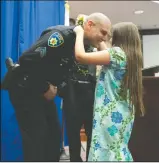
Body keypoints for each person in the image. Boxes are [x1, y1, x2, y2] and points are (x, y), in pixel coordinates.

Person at [3, 12, 111, 161]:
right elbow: (28, 59)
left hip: (40, 90)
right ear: (90, 25)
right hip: (25, 88)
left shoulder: (81, 43)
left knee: (53, 139)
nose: (104, 38)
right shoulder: (61, 36)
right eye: (103, 32)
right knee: (37, 141)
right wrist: (44, 87)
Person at [73, 22, 145, 161]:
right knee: (117, 147)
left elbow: (80, 56)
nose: (107, 39)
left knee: (106, 148)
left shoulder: (116, 54)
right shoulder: (129, 56)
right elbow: (105, 51)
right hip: (122, 112)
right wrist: (99, 41)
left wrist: (79, 32)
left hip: (109, 112)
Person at [61, 14, 111, 162]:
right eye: (102, 32)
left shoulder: (94, 45)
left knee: (92, 132)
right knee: (73, 132)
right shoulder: (72, 42)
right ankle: (75, 159)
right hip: (72, 92)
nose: (104, 37)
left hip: (91, 91)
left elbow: (107, 54)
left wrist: (98, 38)